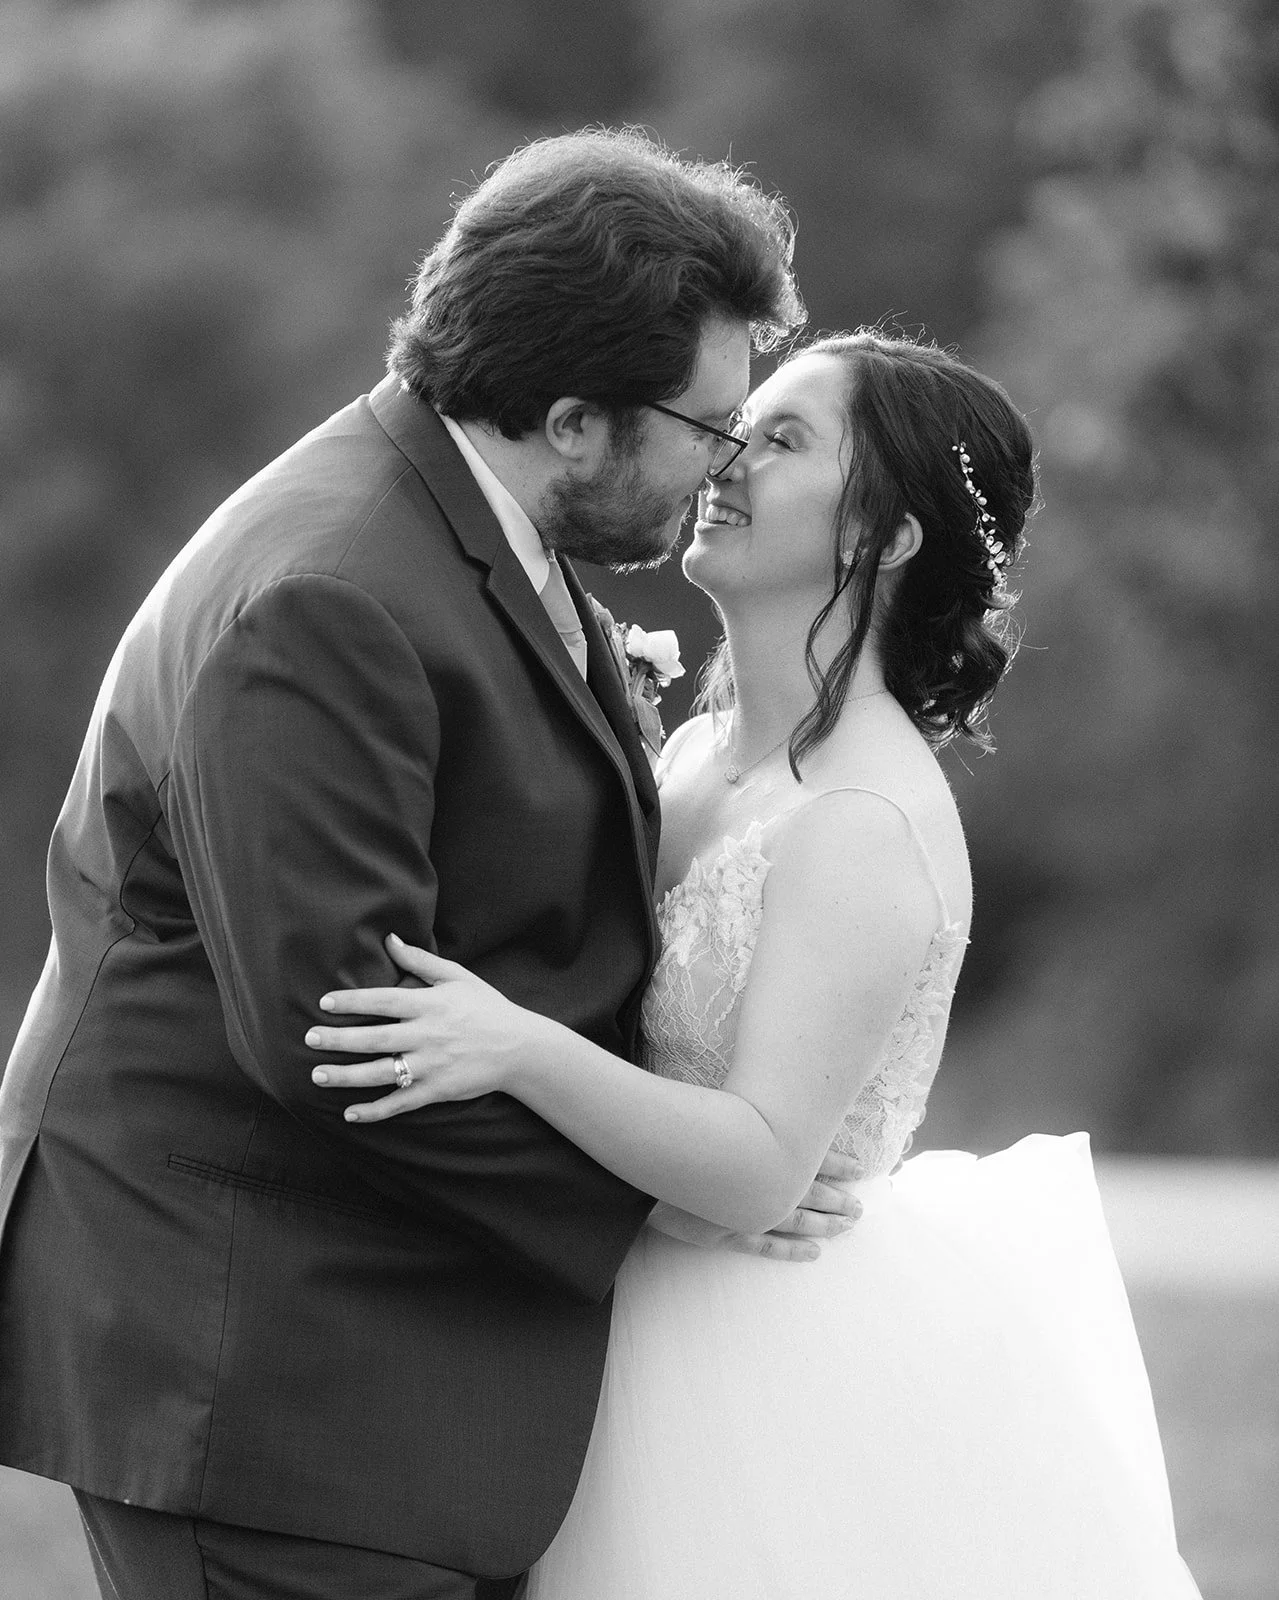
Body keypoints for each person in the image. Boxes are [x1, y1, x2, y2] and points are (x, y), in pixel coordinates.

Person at [0, 128, 849, 1600]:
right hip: (257, 1377)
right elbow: (343, 1038)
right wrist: (671, 1189)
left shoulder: (462, 522)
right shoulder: (331, 593)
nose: (722, 470)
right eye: (709, 429)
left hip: (377, 1369)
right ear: (572, 420)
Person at [308, 331, 1205, 1598]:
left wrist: (514, 1045)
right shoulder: (690, 756)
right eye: (737, 428)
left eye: (782, 440)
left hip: (768, 1361)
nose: (725, 460)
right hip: (612, 1320)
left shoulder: (862, 817)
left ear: (883, 534)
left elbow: (759, 1165)